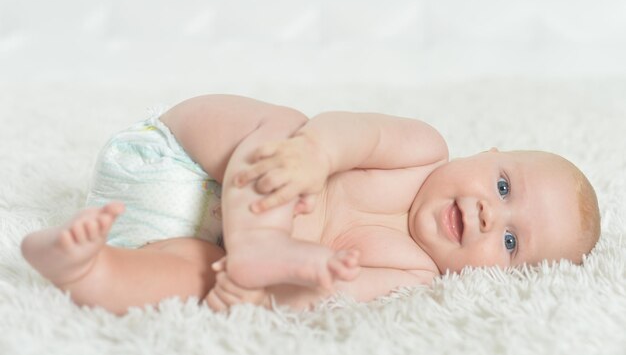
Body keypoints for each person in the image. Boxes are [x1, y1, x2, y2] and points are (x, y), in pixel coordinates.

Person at [20, 94, 601, 314]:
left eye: (509, 241)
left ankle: (87, 267)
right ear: (488, 153)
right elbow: (349, 131)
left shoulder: (416, 274)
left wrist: (265, 291)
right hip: (187, 156)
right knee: (285, 130)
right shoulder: (424, 150)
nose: (487, 215)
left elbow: (329, 295)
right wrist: (316, 156)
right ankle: (263, 245)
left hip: (162, 236)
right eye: (503, 188)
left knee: (202, 280)